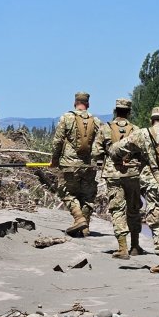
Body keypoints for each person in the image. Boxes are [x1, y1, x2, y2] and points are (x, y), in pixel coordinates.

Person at [109, 106, 159, 274]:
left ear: (151, 120)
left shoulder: (143, 134)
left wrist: (118, 158)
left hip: (153, 185)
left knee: (157, 220)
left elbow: (116, 149)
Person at [92, 98, 143, 259]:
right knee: (134, 209)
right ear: (129, 112)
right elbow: (143, 152)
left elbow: (95, 152)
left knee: (117, 209)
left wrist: (104, 158)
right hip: (132, 174)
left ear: (115, 111)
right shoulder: (136, 130)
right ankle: (135, 245)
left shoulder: (105, 129)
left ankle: (123, 247)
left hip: (113, 174)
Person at [50, 91, 103, 237]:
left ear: (75, 103)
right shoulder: (97, 121)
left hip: (69, 165)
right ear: (88, 104)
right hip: (89, 166)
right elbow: (102, 143)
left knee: (65, 191)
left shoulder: (66, 118)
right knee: (88, 196)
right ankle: (84, 228)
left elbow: (57, 141)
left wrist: (54, 160)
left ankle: (79, 218)